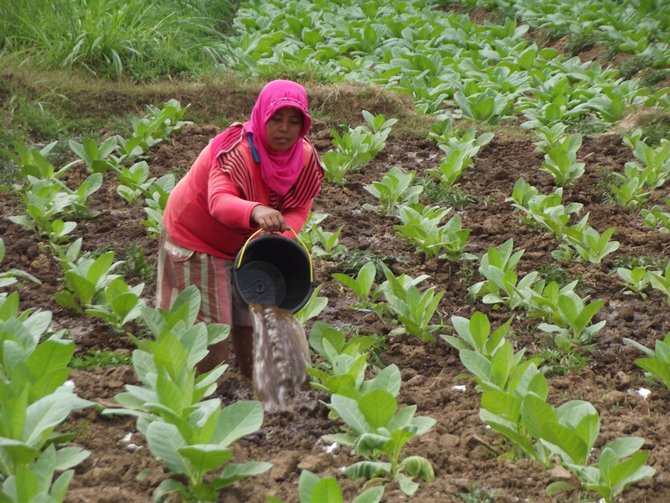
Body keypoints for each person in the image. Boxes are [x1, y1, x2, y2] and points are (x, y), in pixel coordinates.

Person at [156, 79, 324, 378]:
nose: (285, 129)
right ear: (261, 116)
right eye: (276, 119)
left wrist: (282, 235)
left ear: (304, 125)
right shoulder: (236, 151)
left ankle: (255, 387)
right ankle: (198, 399)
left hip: (248, 243)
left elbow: (299, 206)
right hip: (197, 239)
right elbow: (219, 201)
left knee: (253, 321)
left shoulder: (304, 157)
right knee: (210, 336)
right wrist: (256, 210)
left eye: (294, 121)